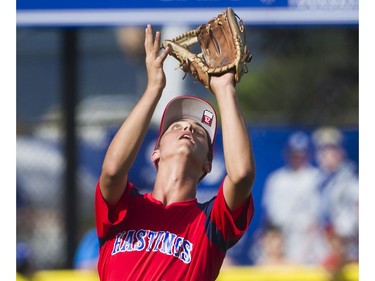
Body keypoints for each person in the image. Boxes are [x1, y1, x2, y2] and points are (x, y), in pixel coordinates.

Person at [94, 24, 256, 281]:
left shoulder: (210, 223)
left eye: (199, 131)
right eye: (177, 126)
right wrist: (153, 89)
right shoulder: (126, 208)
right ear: (155, 152)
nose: (189, 128)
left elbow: (242, 176)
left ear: (208, 164)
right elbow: (112, 172)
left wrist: (225, 88)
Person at [260, 131, 323, 265]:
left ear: (308, 154)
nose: (297, 157)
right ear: (287, 153)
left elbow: (319, 216)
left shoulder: (317, 177)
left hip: (308, 239)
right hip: (281, 237)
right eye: (294, 153)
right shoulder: (276, 179)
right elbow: (269, 216)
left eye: (301, 153)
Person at [312, 127, 359, 270]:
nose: (326, 154)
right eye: (322, 150)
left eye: (331, 149)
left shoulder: (351, 181)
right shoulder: (317, 181)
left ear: (341, 152)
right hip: (321, 251)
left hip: (346, 252)